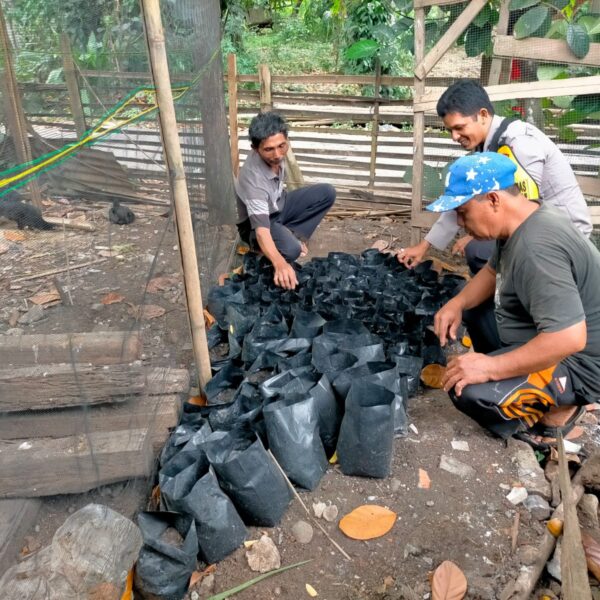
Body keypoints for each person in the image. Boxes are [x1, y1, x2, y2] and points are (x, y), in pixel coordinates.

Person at [429, 152, 600, 447]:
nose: (459, 221)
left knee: (467, 391)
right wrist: (456, 304)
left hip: (580, 363)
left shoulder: (538, 248)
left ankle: (561, 409)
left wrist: (488, 368)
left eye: (463, 211)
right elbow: (493, 271)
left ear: (494, 200)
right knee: (471, 306)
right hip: (554, 336)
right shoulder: (524, 219)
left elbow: (569, 339)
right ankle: (511, 370)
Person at [398, 79, 592, 274]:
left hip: (566, 234)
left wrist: (476, 236)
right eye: (450, 130)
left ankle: (512, 293)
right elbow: (461, 199)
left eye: (459, 127)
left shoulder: (518, 143)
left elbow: (526, 209)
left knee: (478, 250)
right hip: (537, 226)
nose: (454, 137)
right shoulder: (487, 145)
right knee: (481, 247)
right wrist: (423, 246)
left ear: (482, 115)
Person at [236, 111, 336, 289]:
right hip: (257, 224)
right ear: (255, 148)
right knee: (291, 251)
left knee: (326, 193)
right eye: (269, 149)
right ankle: (262, 252)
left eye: (282, 145)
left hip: (279, 204)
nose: (277, 154)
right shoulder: (254, 180)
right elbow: (261, 231)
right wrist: (280, 264)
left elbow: (278, 154)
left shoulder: (277, 154)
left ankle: (289, 235)